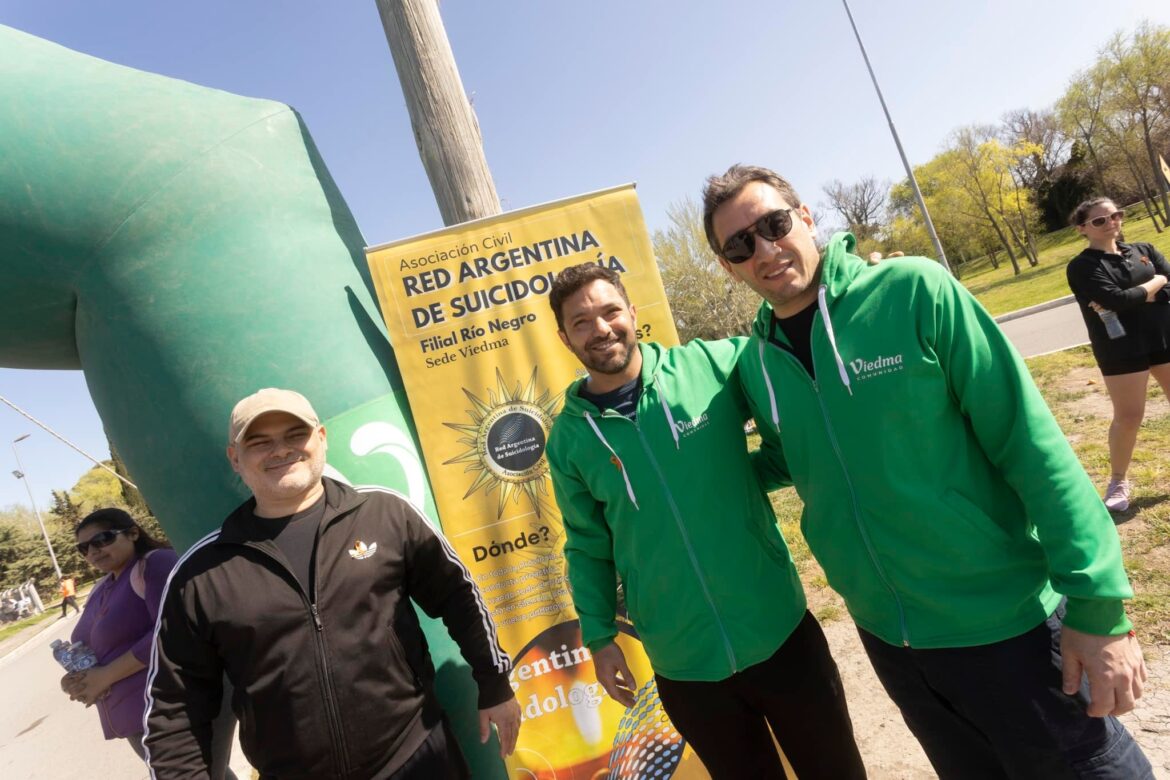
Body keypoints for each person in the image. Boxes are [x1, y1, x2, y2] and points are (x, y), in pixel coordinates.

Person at [703, 163, 1152, 778]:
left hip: (1004, 625)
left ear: (805, 218)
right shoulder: (756, 362)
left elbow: (1028, 441)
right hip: (892, 644)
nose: (765, 249)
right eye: (739, 244)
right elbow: (800, 452)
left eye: (774, 224)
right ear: (728, 265)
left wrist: (1098, 606)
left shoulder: (913, 291)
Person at [546, 264, 866, 779]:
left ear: (632, 312)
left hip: (780, 631)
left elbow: (796, 375)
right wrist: (601, 639)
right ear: (565, 338)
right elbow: (587, 546)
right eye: (581, 322)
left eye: (609, 311)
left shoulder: (715, 365)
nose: (601, 329)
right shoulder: (568, 440)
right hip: (685, 665)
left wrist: (740, 475)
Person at [144, 388, 520, 779]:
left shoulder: (385, 514)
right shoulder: (201, 573)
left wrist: (494, 683)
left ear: (320, 439)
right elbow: (175, 708)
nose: (281, 450)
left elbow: (458, 596)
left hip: (418, 757)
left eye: (295, 435)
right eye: (259, 442)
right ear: (235, 458)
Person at [61, 508, 237, 777]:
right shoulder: (103, 587)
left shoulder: (155, 564)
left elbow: (170, 630)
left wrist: (105, 676)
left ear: (133, 533)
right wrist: (76, 681)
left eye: (102, 540)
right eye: (83, 548)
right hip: (136, 716)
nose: (92, 552)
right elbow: (87, 644)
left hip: (177, 705)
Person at [1065, 197, 1170, 512]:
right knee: (1129, 416)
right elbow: (1116, 300)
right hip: (1120, 346)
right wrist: (1158, 282)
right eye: (1100, 220)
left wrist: (1141, 294)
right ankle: (1118, 481)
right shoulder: (1082, 266)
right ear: (1083, 228)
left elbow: (1125, 298)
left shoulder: (1144, 251)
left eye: (1116, 215)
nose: (1111, 222)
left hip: (1164, 337)